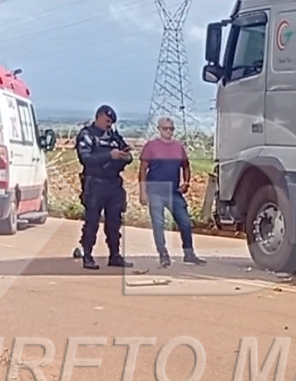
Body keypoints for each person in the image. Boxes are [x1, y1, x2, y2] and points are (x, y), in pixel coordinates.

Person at [139, 117, 206, 267]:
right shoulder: (151, 146)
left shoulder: (178, 147)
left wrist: (186, 182)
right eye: (165, 128)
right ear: (159, 129)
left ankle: (189, 253)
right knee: (158, 224)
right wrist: (142, 192)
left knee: (185, 222)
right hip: (155, 190)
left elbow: (186, 166)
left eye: (171, 129)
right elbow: (143, 169)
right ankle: (163, 254)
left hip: (174, 191)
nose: (168, 131)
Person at [75, 105, 134, 270]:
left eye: (112, 122)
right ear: (99, 116)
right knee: (92, 221)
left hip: (114, 183)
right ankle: (87, 256)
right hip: (95, 184)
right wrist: (109, 155)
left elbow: (127, 153)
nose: (109, 125)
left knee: (114, 222)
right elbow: (86, 159)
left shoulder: (113, 136)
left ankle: (114, 255)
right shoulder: (87, 135)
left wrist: (125, 157)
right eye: (107, 121)